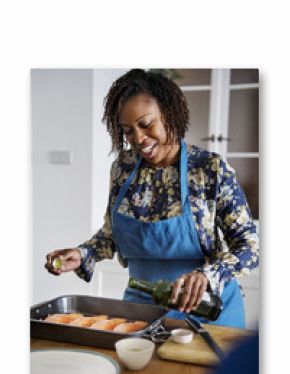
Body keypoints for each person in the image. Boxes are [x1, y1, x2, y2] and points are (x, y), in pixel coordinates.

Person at [45, 69, 259, 328]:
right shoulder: (123, 168)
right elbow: (113, 234)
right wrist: (84, 253)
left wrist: (208, 274)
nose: (138, 139)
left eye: (146, 125)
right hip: (141, 308)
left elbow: (248, 247)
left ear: (169, 114)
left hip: (208, 308)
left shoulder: (209, 170)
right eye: (128, 131)